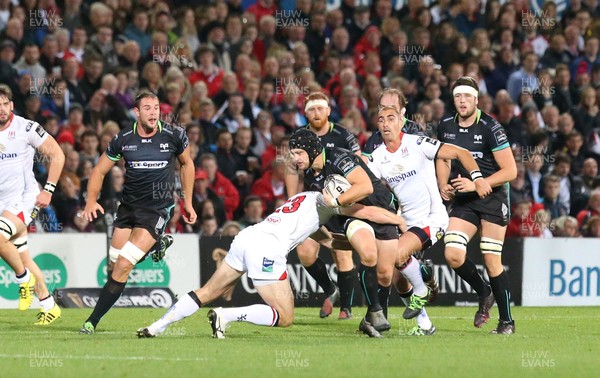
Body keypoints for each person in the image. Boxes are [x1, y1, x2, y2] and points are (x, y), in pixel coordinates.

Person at [137, 191, 405, 339]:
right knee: (285, 317)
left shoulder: (305, 198)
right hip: (267, 249)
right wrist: (398, 221)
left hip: (248, 237)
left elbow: (328, 241)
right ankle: (226, 316)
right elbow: (369, 212)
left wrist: (356, 246)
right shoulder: (329, 201)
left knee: (206, 292)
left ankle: (157, 326)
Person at [79, 92, 197, 334]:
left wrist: (188, 202)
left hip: (156, 209)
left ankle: (91, 321)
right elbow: (99, 171)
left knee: (124, 264)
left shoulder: (174, 135)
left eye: (156, 108)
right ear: (137, 112)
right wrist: (91, 201)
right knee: (113, 266)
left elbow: (187, 164)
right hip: (128, 209)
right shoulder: (123, 139)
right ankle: (157, 245)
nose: (153, 113)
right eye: (148, 108)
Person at [369, 105, 491, 335]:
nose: (385, 124)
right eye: (381, 120)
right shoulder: (378, 157)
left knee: (397, 255)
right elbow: (365, 185)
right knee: (396, 277)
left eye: (391, 119)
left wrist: (477, 178)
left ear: (401, 121)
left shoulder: (417, 144)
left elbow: (460, 153)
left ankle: (422, 287)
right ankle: (425, 324)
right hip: (406, 221)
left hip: (432, 219)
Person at [289, 128, 400, 338]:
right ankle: (376, 311)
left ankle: (370, 318)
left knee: (386, 275)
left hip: (381, 209)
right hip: (355, 216)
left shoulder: (339, 157)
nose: (295, 159)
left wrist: (337, 201)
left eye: (298, 153)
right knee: (368, 253)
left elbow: (365, 187)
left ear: (312, 150)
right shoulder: (311, 178)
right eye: (292, 154)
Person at [436, 77, 518, 335]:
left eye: (467, 96)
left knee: (491, 257)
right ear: (453, 99)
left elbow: (511, 170)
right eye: (458, 96)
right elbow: (443, 158)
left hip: (491, 197)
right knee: (452, 253)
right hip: (465, 199)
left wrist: (478, 183)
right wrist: (442, 184)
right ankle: (484, 292)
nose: (462, 100)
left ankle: (507, 322)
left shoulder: (491, 127)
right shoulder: (446, 125)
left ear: (476, 99)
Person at [285, 91, 361, 320]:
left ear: (328, 110)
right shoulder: (299, 136)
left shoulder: (343, 135)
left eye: (320, 108)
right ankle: (330, 290)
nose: (316, 113)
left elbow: (360, 164)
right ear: (305, 113)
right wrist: (293, 200)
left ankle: (346, 308)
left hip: (340, 202)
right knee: (305, 252)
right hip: (313, 203)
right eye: (311, 109)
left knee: (342, 253)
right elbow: (291, 168)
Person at [0, 84, 63, 323]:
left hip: (24, 198)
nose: (2, 109)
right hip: (2, 203)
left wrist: (48, 190)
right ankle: (49, 305)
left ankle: (23, 279)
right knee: (22, 255)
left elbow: (57, 154)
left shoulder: (26, 127)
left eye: (5, 104)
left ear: (12, 105)